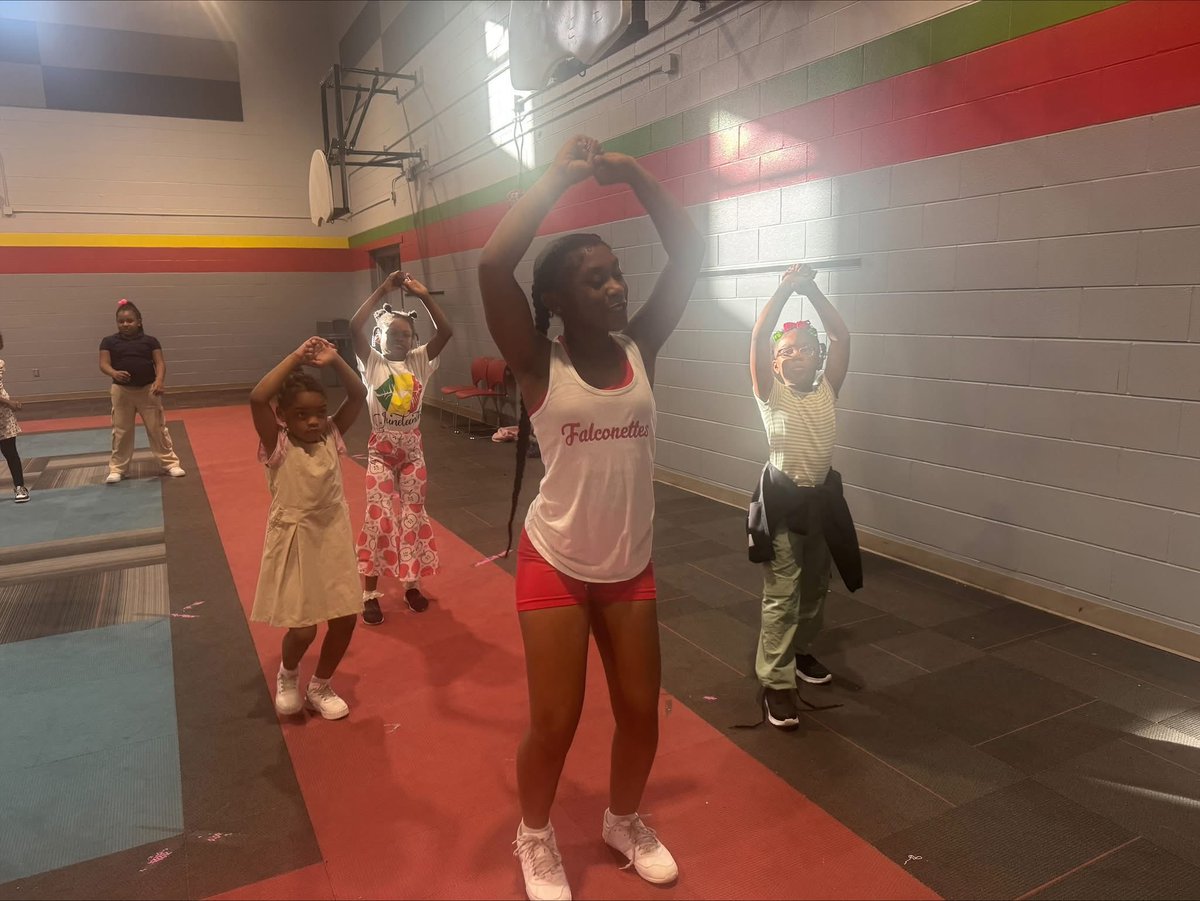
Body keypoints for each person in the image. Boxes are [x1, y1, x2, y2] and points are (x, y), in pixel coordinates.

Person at [478, 134, 705, 901]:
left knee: (641, 710)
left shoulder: (642, 346)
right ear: (557, 301)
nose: (615, 287)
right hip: (558, 560)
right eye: (595, 279)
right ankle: (534, 836)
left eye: (616, 274)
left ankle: (624, 818)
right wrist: (556, 180)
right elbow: (490, 266)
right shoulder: (541, 363)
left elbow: (690, 250)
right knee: (557, 718)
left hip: (628, 561)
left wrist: (636, 172)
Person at [747, 263, 860, 731]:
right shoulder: (771, 394)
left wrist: (810, 289)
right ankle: (776, 683)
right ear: (775, 363)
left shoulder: (827, 390)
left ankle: (800, 650)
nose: (798, 355)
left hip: (823, 502)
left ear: (818, 357)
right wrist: (782, 290)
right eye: (788, 351)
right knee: (782, 593)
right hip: (783, 502)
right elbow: (758, 339)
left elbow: (843, 337)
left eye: (807, 350)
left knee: (816, 586)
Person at [248, 336, 367, 720]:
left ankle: (321, 684)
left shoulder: (331, 433)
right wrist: (297, 355)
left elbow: (359, 392)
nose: (313, 421)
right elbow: (256, 397)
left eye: (319, 412)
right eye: (302, 415)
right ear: (283, 415)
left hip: (332, 534)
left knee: (345, 618)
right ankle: (288, 674)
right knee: (303, 629)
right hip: (296, 538)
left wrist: (335, 360)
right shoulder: (278, 443)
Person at [349, 271, 453, 624]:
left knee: (413, 517)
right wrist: (383, 289)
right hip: (380, 451)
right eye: (394, 334)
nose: (400, 340)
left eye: (406, 335)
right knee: (378, 518)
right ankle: (370, 592)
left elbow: (447, 332)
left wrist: (423, 295)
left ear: (413, 339)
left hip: (412, 453)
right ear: (382, 337)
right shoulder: (373, 362)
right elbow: (353, 327)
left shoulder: (420, 360)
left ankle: (411, 583)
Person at [98, 299, 186, 484]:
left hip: (148, 391)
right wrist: (114, 372)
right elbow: (103, 364)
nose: (125, 324)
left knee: (157, 429)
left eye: (130, 320)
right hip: (121, 392)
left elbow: (159, 363)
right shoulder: (109, 341)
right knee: (121, 431)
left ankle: (169, 463)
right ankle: (118, 468)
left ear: (139, 321)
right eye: (121, 321)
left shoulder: (150, 341)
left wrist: (159, 381)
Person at [0, 332, 29, 503]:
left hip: (2, 417)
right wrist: (9, 402)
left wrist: (8, 404)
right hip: (5, 406)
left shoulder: (0, 364)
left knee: (11, 453)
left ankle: (20, 486)